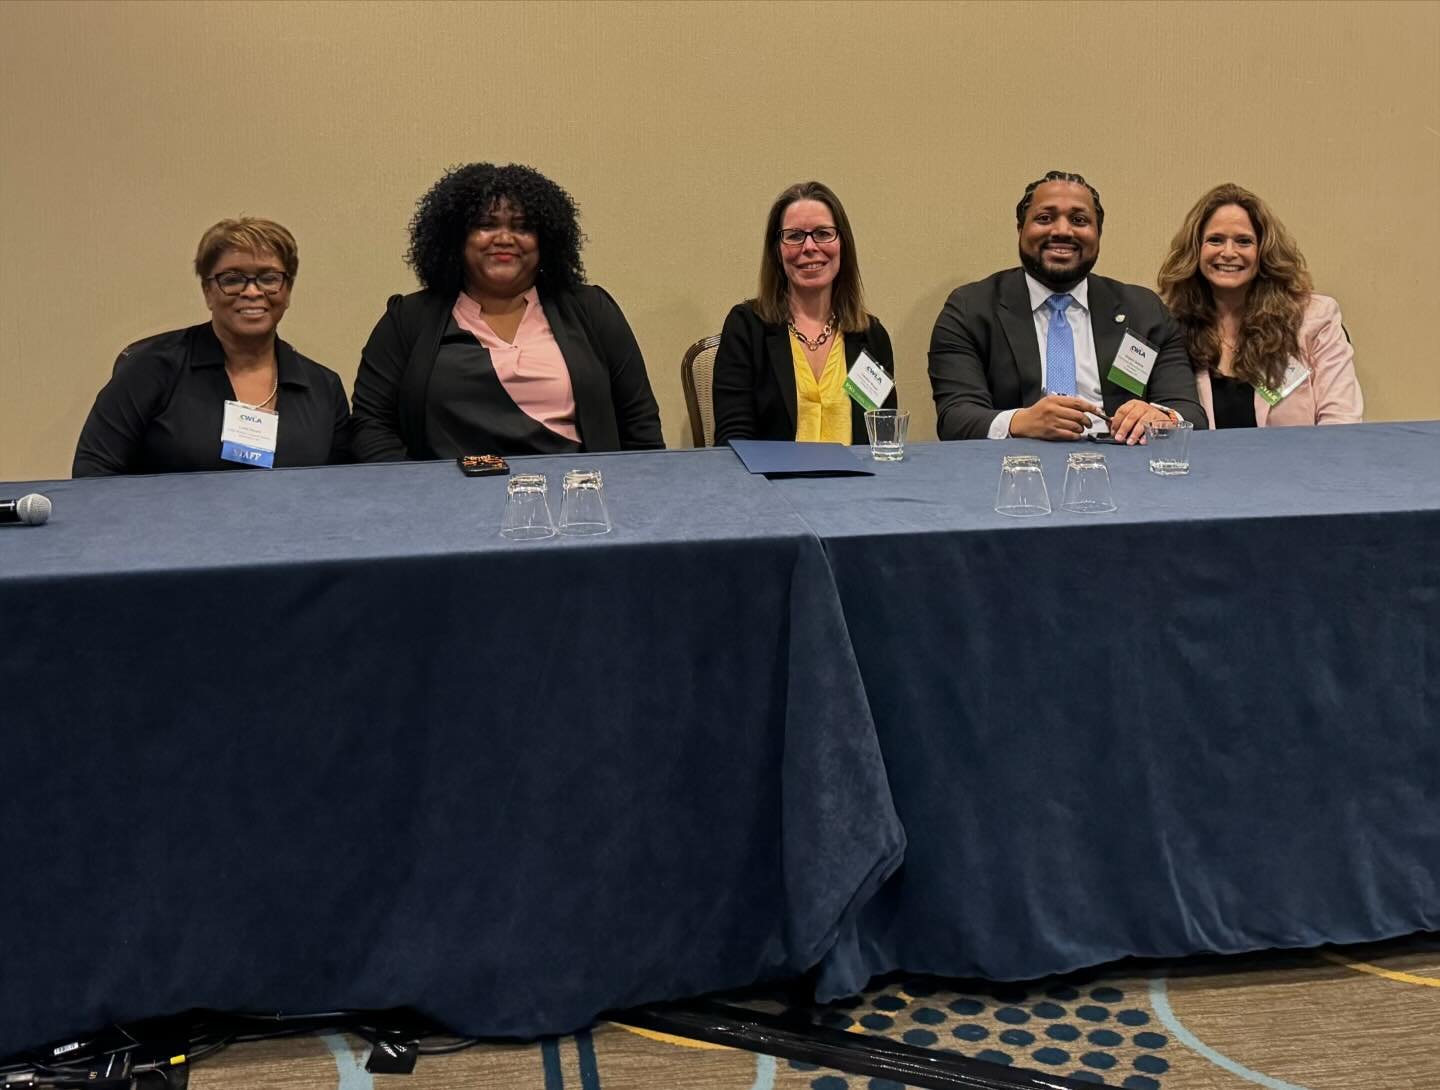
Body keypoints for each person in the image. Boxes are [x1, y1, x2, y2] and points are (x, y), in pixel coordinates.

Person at [350, 163, 663, 461]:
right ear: (456, 239)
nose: (504, 238)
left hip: (572, 502)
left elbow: (640, 425)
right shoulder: (408, 320)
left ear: (546, 241)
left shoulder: (590, 310)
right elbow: (371, 425)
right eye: (485, 225)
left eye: (522, 227)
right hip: (445, 504)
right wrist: (419, 492)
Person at [928, 170, 1205, 443]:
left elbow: (1189, 413)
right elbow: (955, 418)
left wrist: (1159, 417)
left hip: (1125, 469)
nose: (1062, 230)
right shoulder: (971, 309)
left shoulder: (1143, 311)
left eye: (1079, 220)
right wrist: (1020, 421)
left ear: (1098, 233)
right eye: (1045, 218)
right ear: (1020, 229)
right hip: (1015, 471)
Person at [73, 218, 350, 476]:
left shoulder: (324, 387)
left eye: (268, 278)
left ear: (287, 291)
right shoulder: (150, 368)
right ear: (208, 291)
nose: (252, 291)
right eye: (232, 279)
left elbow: (340, 490)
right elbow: (94, 474)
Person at [1157, 183, 1363, 427]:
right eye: (1215, 240)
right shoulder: (1168, 324)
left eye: (1244, 241)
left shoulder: (1316, 318)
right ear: (1195, 250)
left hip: (1298, 464)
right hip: (1201, 465)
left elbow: (1343, 422)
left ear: (1264, 251)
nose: (1229, 252)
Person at [713, 181, 896, 446]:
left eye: (822, 234)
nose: (809, 246)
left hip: (858, 486)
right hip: (773, 485)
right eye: (795, 235)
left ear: (843, 245)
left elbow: (884, 437)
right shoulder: (746, 328)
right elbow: (734, 442)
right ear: (777, 250)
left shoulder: (872, 336)